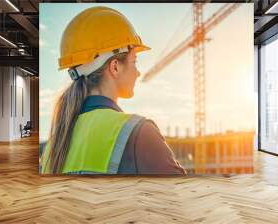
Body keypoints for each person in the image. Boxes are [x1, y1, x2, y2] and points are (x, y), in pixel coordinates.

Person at [41, 6, 186, 175]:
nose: (138, 72)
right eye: (134, 61)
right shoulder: (138, 132)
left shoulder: (54, 146)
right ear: (115, 67)